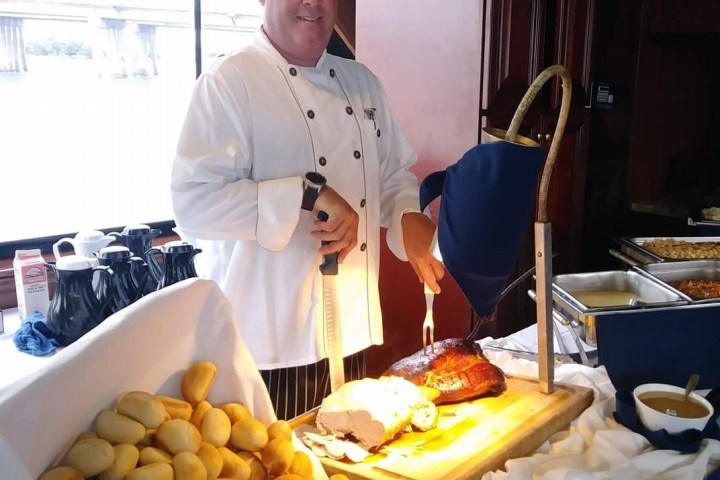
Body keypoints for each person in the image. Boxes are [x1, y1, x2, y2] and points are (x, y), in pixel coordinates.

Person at [170, 0, 444, 420]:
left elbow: (393, 174)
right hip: (267, 346)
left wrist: (408, 214)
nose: (312, 3)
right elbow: (194, 205)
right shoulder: (229, 81)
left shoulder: (361, 82)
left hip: (351, 330)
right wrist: (306, 193)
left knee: (349, 456)